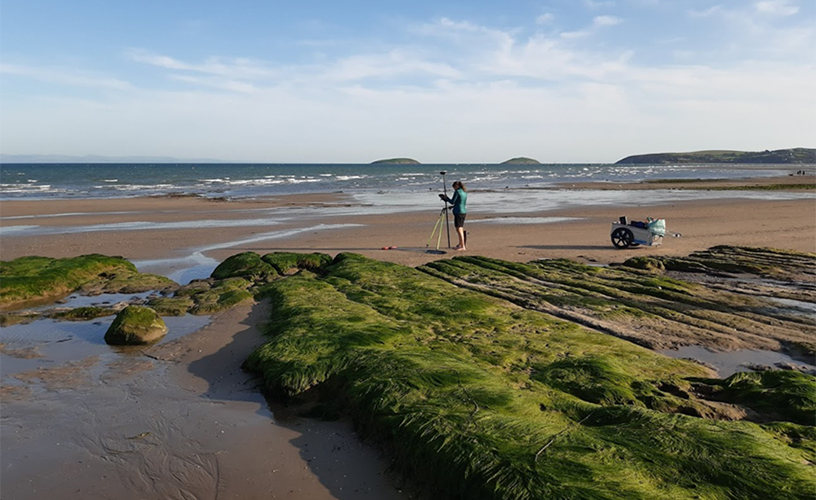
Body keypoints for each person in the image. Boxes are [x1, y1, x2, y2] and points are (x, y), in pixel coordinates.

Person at [439, 180, 468, 251]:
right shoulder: (464, 192)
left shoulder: (457, 191)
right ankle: (460, 243)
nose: (454, 189)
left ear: (456, 186)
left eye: (454, 187)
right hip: (463, 211)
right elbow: (460, 202)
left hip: (458, 212)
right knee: (459, 228)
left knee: (459, 229)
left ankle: (462, 246)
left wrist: (446, 198)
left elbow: (452, 202)